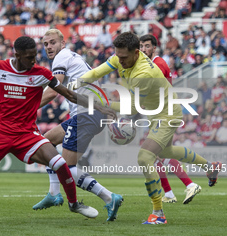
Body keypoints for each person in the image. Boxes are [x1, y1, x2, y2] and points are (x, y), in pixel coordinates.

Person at [0, 36, 116, 226]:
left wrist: (100, 108)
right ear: (17, 55)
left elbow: (69, 93)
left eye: (35, 56)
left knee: (59, 163)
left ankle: (74, 203)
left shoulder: (41, 73)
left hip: (26, 134)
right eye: (29, 57)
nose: (33, 61)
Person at [74, 32, 222, 224]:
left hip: (167, 114)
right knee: (166, 151)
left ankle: (158, 214)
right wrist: (76, 82)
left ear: (136, 53)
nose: (120, 61)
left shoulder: (143, 73)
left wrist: (98, 101)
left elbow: (132, 108)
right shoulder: (122, 56)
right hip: (157, 112)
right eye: (118, 56)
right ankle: (209, 168)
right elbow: (95, 73)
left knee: (144, 157)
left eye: (124, 58)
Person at [32, 29, 123, 222]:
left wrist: (25, 107)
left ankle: (109, 197)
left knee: (68, 168)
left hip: (87, 114)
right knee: (45, 143)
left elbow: (52, 91)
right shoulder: (70, 57)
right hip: (89, 112)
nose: (49, 46)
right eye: (46, 43)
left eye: (53, 42)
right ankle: (53, 194)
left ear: (62, 44)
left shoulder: (61, 57)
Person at [139, 34, 202, 204]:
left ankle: (190, 184)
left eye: (147, 46)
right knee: (161, 154)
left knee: (154, 154)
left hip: (164, 114)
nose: (143, 49)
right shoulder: (151, 64)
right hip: (160, 113)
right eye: (141, 46)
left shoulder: (158, 64)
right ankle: (170, 193)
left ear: (154, 48)